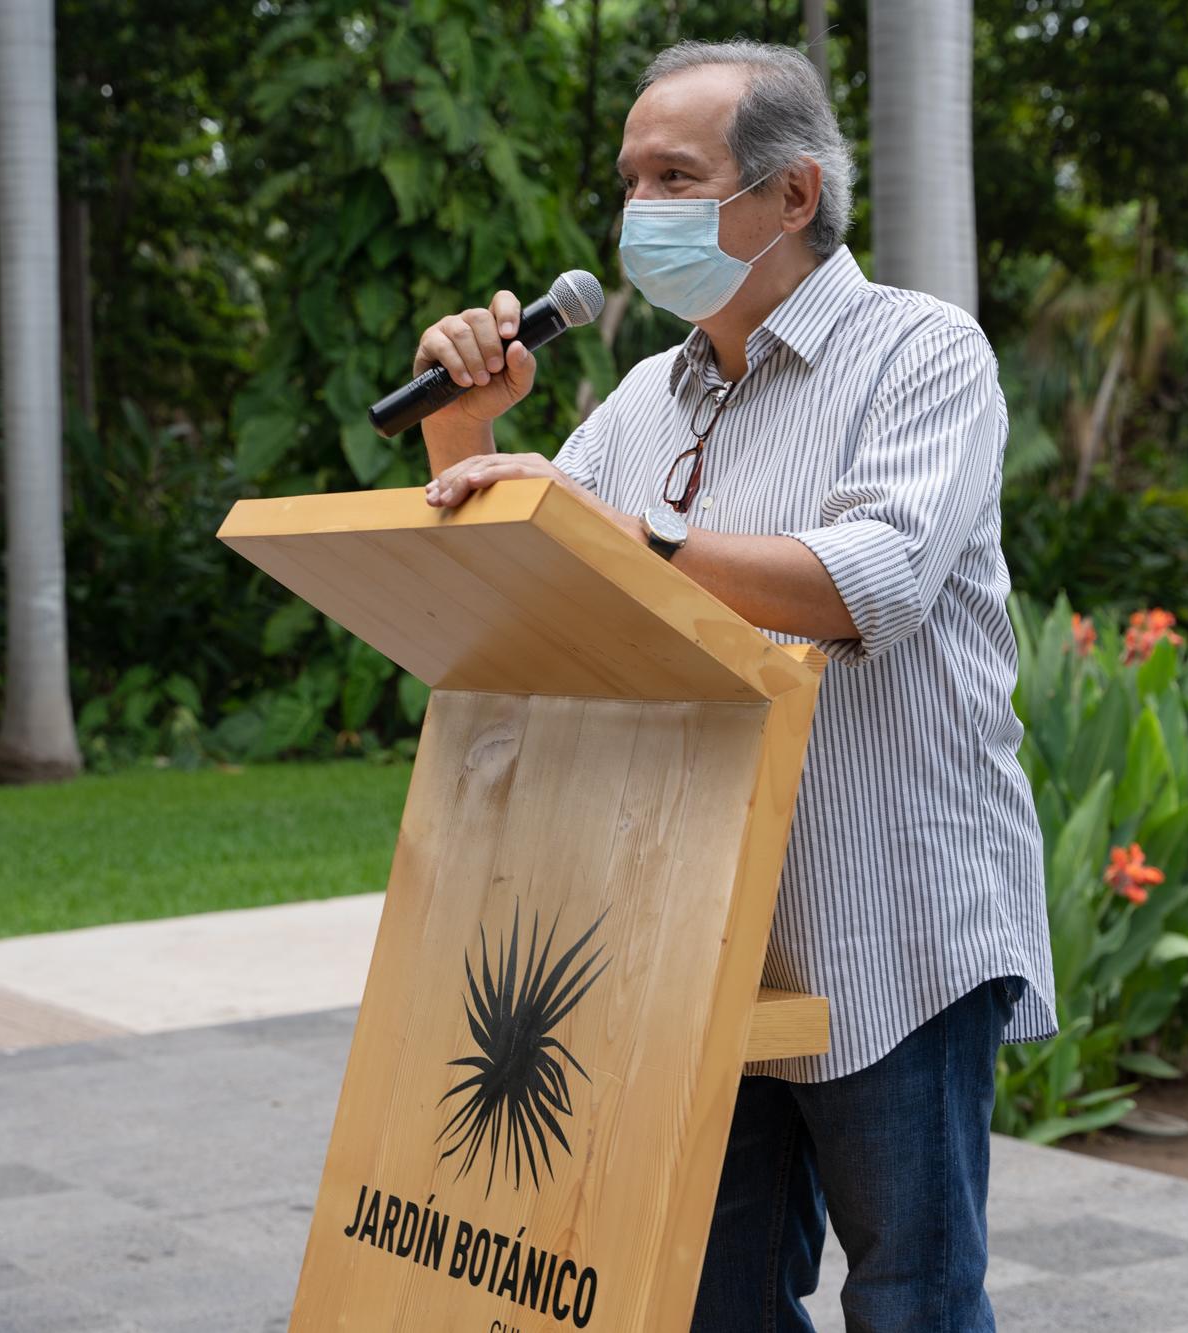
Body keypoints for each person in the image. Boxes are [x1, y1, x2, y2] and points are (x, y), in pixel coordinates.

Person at [416, 38, 1053, 1333]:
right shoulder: (647, 396)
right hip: (693, 926)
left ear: (792, 194)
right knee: (709, 1303)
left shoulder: (923, 352)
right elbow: (532, 593)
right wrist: (465, 425)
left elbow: (868, 580)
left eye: (675, 175)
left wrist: (628, 538)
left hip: (890, 915)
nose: (637, 210)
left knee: (915, 1300)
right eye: (629, 178)